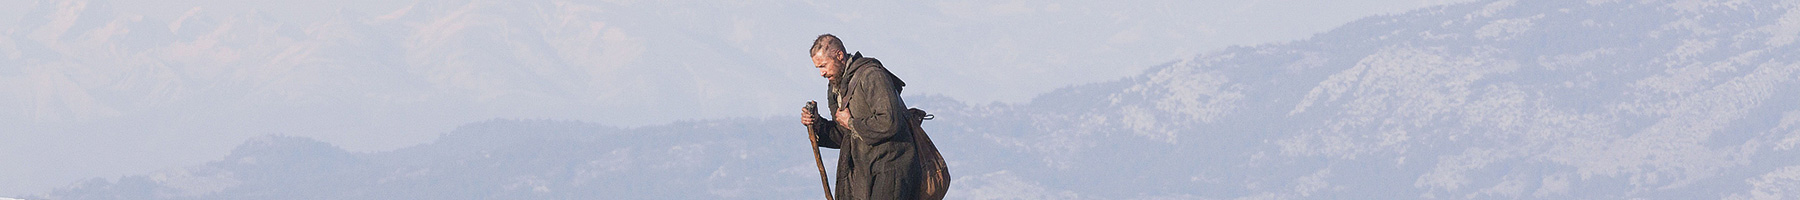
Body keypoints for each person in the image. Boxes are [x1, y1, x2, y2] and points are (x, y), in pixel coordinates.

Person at [800, 34, 920, 200]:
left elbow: (890, 122)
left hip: (891, 167)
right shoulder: (836, 87)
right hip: (861, 172)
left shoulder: (872, 75)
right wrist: (816, 124)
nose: (822, 73)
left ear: (839, 55)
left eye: (824, 66)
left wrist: (850, 123)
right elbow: (844, 136)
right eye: (818, 68)